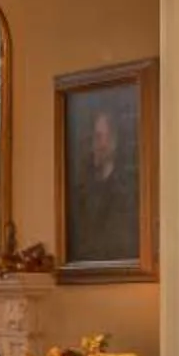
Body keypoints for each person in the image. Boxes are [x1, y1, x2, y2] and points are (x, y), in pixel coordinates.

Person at [69, 99, 140, 263]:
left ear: (113, 142)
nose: (95, 145)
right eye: (94, 138)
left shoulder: (126, 190)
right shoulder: (84, 189)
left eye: (100, 137)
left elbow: (119, 241)